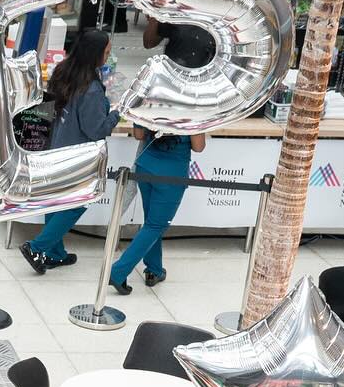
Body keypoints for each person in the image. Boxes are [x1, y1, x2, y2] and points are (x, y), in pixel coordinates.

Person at [20, 30, 121, 274]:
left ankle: (55, 253)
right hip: (78, 156)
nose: (108, 57)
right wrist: (116, 113)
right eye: (107, 52)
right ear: (95, 53)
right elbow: (96, 130)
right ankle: (37, 247)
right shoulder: (92, 89)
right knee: (77, 204)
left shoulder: (62, 71)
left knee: (56, 200)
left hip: (55, 147)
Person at [108, 126, 208, 294]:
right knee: (155, 225)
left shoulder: (149, 106)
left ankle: (154, 269)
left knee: (151, 223)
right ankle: (117, 272)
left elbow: (139, 135)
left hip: (145, 166)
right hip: (171, 173)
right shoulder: (192, 111)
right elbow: (199, 147)